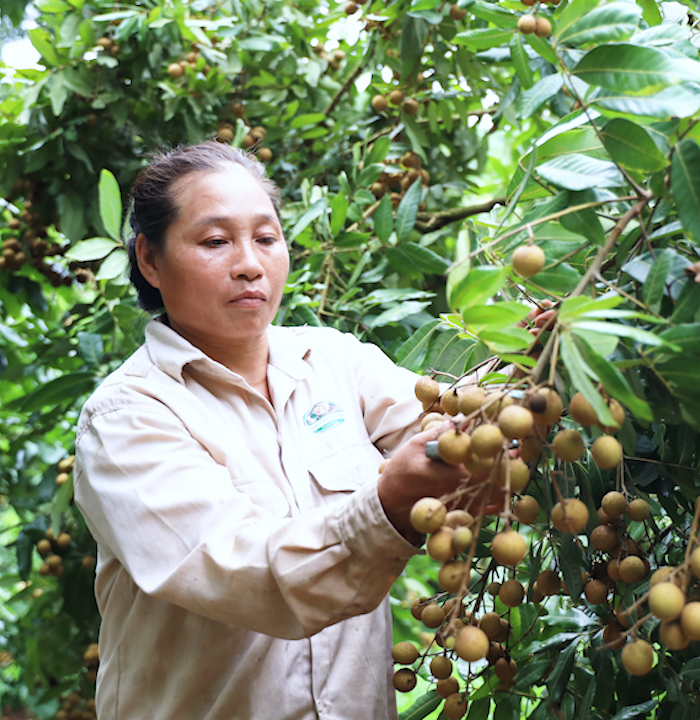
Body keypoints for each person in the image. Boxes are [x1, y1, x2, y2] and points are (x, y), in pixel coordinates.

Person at [73, 141, 485, 720]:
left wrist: (541, 366)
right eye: (216, 241)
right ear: (150, 260)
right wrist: (390, 503)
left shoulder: (337, 361)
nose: (250, 263)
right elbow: (243, 574)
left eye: (266, 238)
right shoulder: (126, 417)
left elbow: (460, 427)